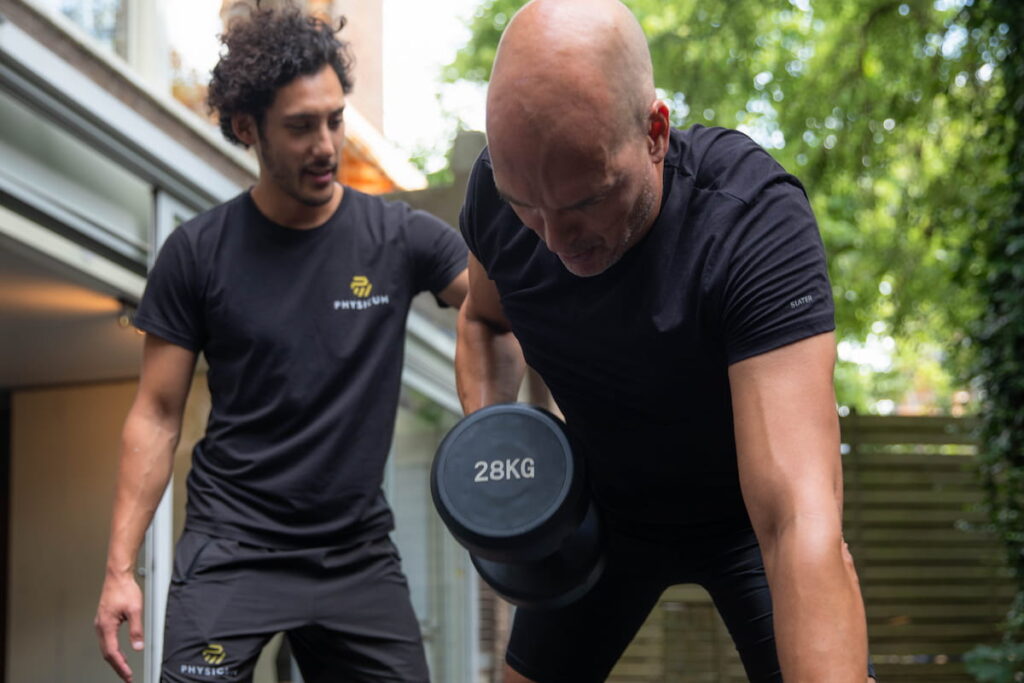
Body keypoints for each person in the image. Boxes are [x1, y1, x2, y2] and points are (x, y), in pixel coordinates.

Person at [454, 1, 875, 681]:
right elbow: (483, 320)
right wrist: (500, 455)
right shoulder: (498, 201)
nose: (554, 242)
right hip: (603, 508)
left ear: (655, 132)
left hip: (747, 522)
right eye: (527, 204)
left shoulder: (748, 222)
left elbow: (799, 518)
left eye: (586, 200)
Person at [94, 7, 467, 682]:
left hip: (355, 552)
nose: (326, 144)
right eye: (300, 126)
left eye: (334, 118)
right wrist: (119, 569)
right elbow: (155, 413)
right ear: (247, 129)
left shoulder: (397, 238)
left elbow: (499, 307)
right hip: (234, 547)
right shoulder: (197, 253)